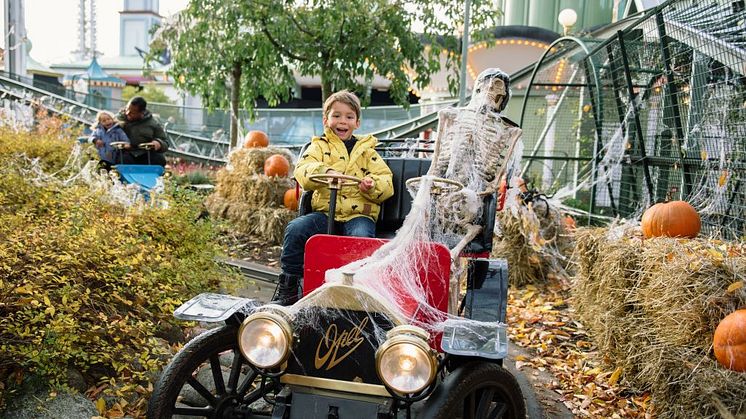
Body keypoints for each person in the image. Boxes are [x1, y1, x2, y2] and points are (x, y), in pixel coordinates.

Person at [275, 90, 394, 305]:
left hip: (358, 214)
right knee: (296, 229)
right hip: (324, 213)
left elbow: (385, 180)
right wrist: (325, 172)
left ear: (357, 122)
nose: (342, 121)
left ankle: (358, 291)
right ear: (326, 120)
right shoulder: (319, 147)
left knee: (361, 239)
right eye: (336, 115)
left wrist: (372, 185)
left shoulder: (367, 152)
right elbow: (304, 170)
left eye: (349, 116)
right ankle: (289, 288)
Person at [117, 96, 169, 166]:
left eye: (132, 113)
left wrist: (158, 143)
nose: (127, 113)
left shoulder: (153, 123)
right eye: (127, 109)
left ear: (142, 113)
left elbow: (165, 142)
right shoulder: (118, 119)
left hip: (145, 153)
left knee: (159, 160)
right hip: (126, 152)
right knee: (122, 160)